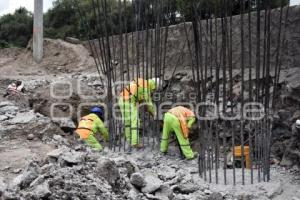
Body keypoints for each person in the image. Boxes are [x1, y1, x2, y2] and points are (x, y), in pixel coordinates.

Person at [118, 77, 162, 148]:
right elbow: (149, 104)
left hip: (121, 100)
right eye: (154, 89)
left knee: (127, 121)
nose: (153, 91)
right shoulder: (146, 87)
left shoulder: (143, 83)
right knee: (135, 121)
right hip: (129, 102)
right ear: (154, 85)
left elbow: (138, 96)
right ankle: (135, 143)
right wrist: (155, 114)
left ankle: (129, 140)